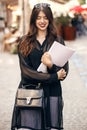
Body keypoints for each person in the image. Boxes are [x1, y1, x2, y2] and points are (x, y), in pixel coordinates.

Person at [11, 3, 69, 130]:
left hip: (53, 93)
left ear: (50, 19)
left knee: (51, 127)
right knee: (30, 127)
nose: (42, 21)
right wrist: (53, 76)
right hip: (30, 92)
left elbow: (64, 72)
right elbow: (26, 73)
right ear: (33, 20)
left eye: (45, 17)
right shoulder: (24, 41)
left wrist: (50, 65)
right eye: (38, 18)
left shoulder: (58, 41)